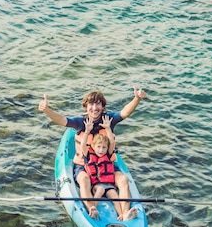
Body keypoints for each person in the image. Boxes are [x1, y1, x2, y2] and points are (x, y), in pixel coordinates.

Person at [38, 85, 147, 219]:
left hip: (106, 164)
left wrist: (137, 99)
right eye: (91, 105)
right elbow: (62, 120)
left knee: (123, 180)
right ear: (86, 106)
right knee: (84, 179)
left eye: (98, 105)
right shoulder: (81, 122)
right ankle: (92, 210)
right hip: (84, 165)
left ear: (102, 107)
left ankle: (125, 213)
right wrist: (47, 110)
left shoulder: (108, 120)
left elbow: (125, 113)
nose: (94, 108)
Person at [80, 115, 138, 221]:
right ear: (93, 146)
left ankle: (122, 215)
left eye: (104, 147)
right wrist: (87, 132)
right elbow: (83, 144)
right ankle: (93, 209)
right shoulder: (88, 155)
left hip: (108, 184)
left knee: (114, 195)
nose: (101, 150)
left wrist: (108, 128)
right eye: (98, 147)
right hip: (96, 185)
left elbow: (112, 142)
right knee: (100, 189)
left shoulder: (108, 154)